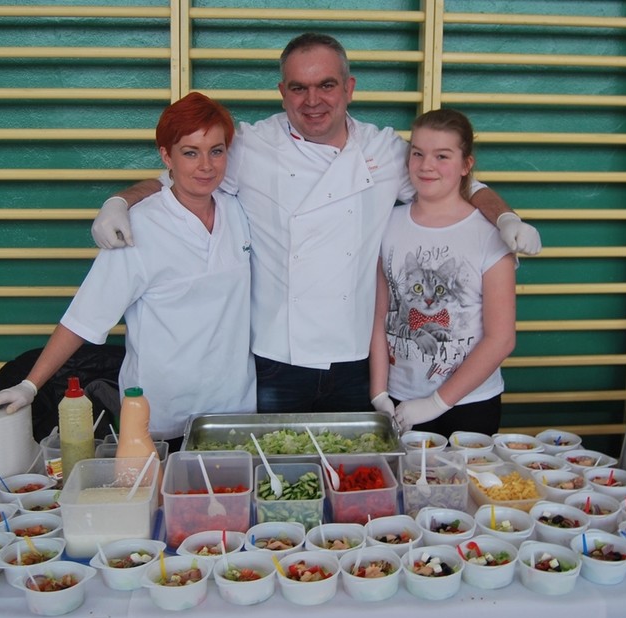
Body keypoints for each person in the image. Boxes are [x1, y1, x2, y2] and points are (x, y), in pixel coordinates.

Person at [91, 33, 538, 414]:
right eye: (298, 88)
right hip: (274, 358)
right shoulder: (251, 146)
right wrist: (119, 202)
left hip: (358, 357)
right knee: (277, 475)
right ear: (282, 92)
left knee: (350, 476)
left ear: (349, 88)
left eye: (326, 85)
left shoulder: (384, 150)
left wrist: (504, 217)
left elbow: (459, 183)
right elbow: (180, 177)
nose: (312, 101)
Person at [0, 92, 256, 443]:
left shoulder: (239, 211)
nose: (206, 166)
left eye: (216, 151)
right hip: (159, 419)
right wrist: (30, 385)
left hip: (233, 412)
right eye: (190, 152)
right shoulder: (140, 227)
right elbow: (84, 317)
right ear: (166, 156)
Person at [370, 108, 516, 437]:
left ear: (466, 165)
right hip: (399, 399)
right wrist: (379, 392)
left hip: (470, 402)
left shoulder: (489, 234)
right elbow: (380, 316)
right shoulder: (388, 223)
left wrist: (436, 403)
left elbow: (502, 338)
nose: (426, 165)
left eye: (442, 156)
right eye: (417, 153)